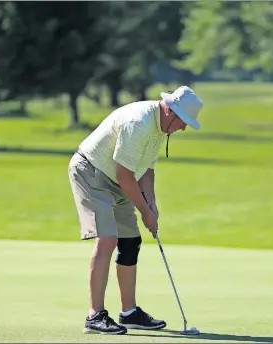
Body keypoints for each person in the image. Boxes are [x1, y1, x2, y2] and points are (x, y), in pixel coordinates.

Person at [67, 86, 203, 335]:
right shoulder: (139, 123)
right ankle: (94, 316)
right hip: (91, 172)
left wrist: (151, 205)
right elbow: (125, 174)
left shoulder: (160, 128)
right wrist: (144, 211)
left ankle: (129, 313)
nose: (183, 128)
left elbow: (146, 170)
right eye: (183, 122)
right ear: (170, 111)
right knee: (107, 238)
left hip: (118, 178)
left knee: (130, 241)